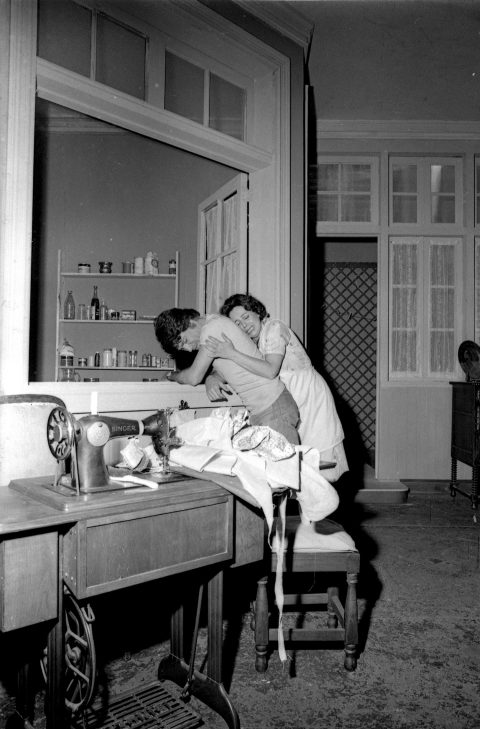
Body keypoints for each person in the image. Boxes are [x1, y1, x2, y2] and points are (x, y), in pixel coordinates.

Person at [204, 293, 348, 481]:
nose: (244, 325)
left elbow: (270, 370)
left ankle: (326, 498)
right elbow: (234, 366)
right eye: (237, 323)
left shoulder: (274, 328)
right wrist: (212, 378)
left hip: (308, 396)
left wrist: (231, 353)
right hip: (286, 398)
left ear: (257, 312)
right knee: (296, 463)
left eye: (246, 317)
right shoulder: (252, 341)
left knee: (319, 460)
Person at [154, 308, 300, 444]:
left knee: (284, 462)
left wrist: (172, 376)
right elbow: (228, 368)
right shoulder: (215, 322)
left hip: (273, 408)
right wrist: (212, 377)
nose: (188, 349)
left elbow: (194, 377)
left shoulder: (211, 329)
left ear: (191, 323)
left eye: (184, 341)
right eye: (182, 348)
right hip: (264, 409)